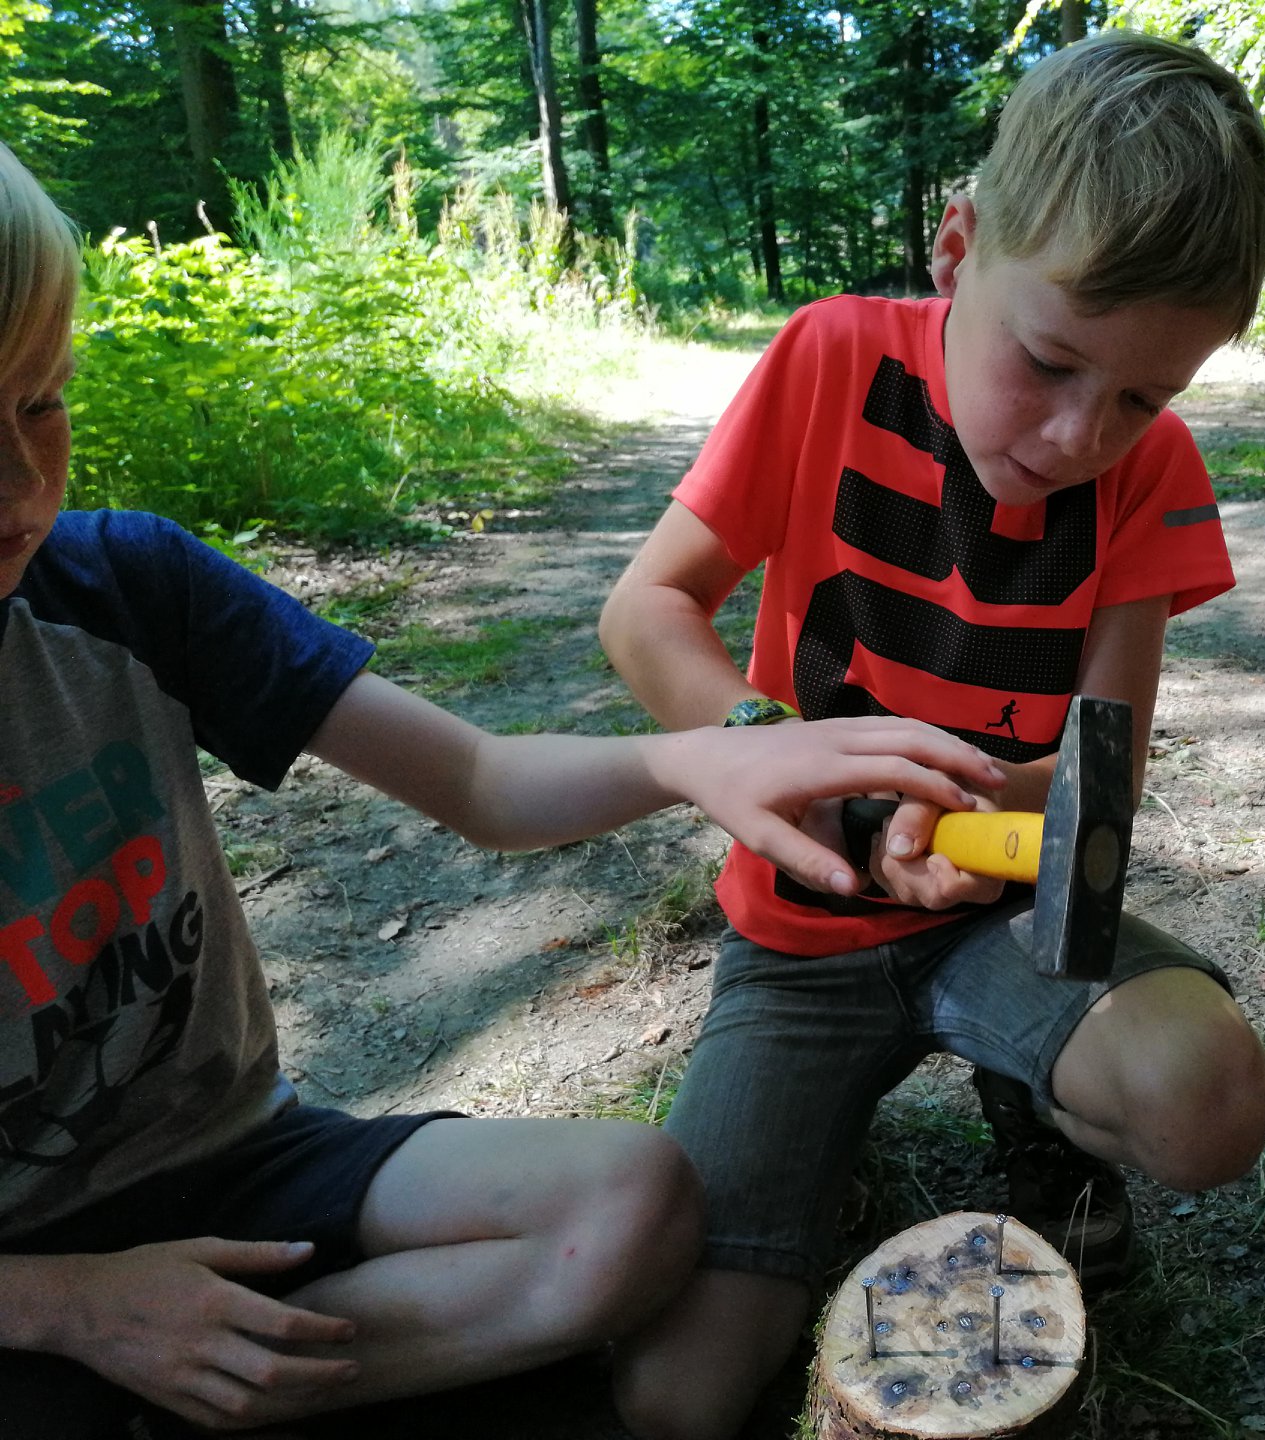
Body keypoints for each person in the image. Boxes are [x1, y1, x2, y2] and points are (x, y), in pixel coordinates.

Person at [0, 142, 1010, 1439]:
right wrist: (79, 1306)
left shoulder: (128, 588)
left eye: (44, 400)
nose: (27, 483)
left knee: (629, 1204)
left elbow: (479, 781)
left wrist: (695, 758)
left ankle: (212, 1379)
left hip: (233, 1160)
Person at [596, 28, 1265, 1439]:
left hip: (1006, 915)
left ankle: (1042, 1116)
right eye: (1049, 363)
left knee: (1207, 1103)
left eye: (1146, 396)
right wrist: (781, 759)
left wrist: (968, 815)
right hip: (801, 935)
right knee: (678, 1395)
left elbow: (1103, 772)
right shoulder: (830, 360)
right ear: (957, 251)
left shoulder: (1152, 475)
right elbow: (648, 611)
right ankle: (816, 1143)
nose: (1081, 434)